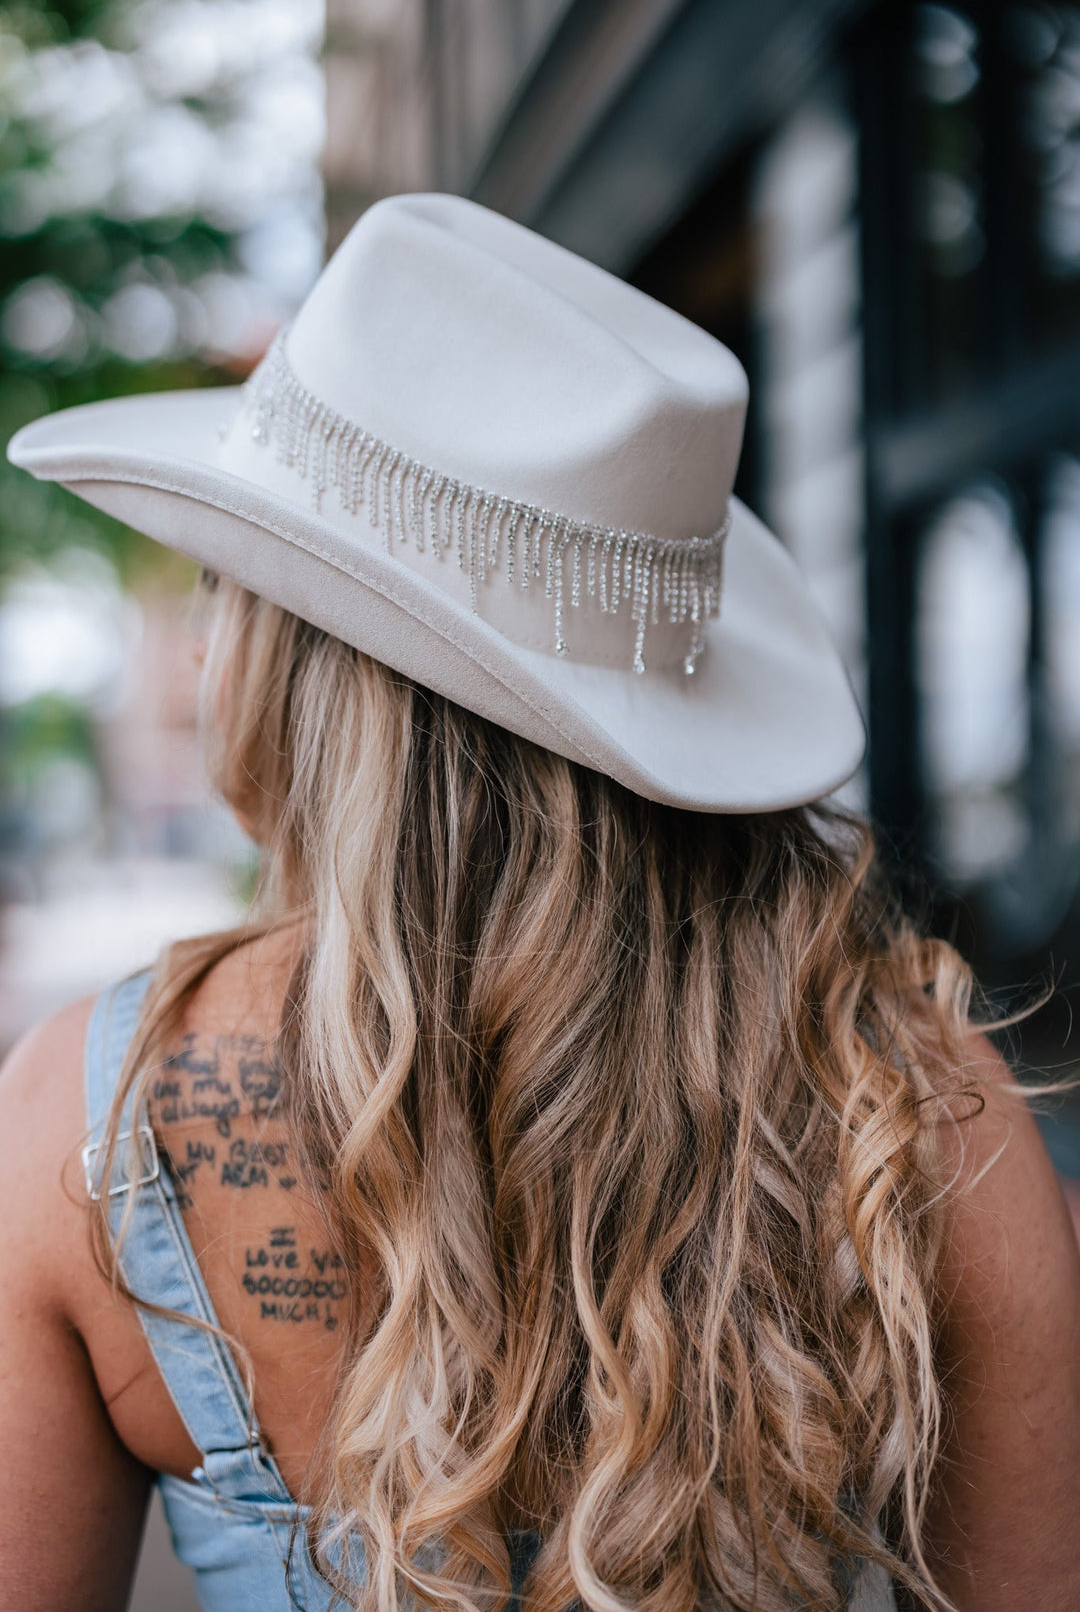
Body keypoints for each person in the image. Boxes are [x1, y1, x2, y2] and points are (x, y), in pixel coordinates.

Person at [1, 193, 1078, 1612]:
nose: (205, 646)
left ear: (301, 675)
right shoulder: (917, 1115)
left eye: (231, 583)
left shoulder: (93, 1127)